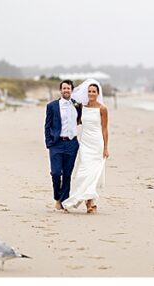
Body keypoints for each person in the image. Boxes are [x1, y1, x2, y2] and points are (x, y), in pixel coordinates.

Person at [63, 79, 110, 214]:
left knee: (93, 172)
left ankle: (90, 202)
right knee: (83, 171)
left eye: (94, 91)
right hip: (84, 143)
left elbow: (105, 129)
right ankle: (85, 200)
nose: (91, 93)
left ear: (98, 93)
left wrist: (106, 147)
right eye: (89, 91)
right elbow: (75, 122)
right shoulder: (82, 107)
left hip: (97, 143)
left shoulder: (102, 109)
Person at [44, 80, 82, 213]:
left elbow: (80, 120)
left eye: (69, 88)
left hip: (72, 143)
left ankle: (64, 202)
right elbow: (47, 125)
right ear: (61, 90)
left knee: (67, 174)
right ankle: (57, 198)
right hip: (56, 143)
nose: (66, 90)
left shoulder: (77, 105)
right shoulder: (52, 106)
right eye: (64, 88)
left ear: (72, 90)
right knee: (55, 173)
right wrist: (48, 142)